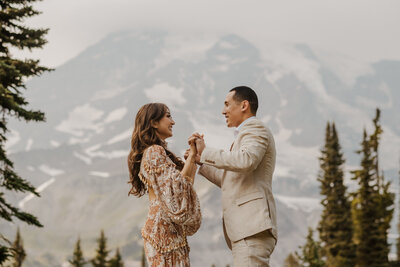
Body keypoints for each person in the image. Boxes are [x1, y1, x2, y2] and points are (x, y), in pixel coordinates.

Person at [190, 86, 277, 266]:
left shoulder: (255, 128)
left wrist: (206, 151)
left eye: (227, 104)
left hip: (252, 227)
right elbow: (230, 180)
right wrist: (201, 161)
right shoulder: (244, 136)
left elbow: (246, 160)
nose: (223, 111)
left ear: (244, 105)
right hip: (246, 230)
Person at [127, 103, 201, 267]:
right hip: (163, 231)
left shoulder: (158, 152)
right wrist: (191, 157)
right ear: (153, 122)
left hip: (168, 230)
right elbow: (177, 192)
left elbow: (184, 188)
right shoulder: (154, 151)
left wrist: (193, 158)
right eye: (168, 116)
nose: (173, 122)